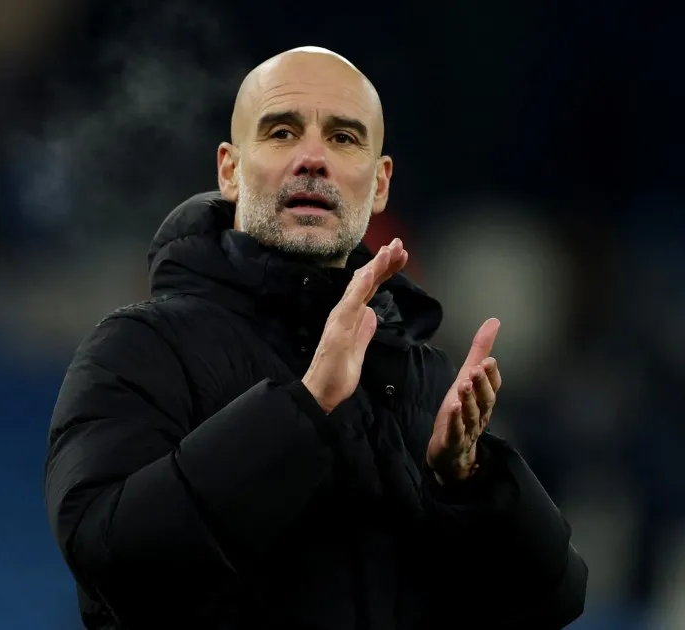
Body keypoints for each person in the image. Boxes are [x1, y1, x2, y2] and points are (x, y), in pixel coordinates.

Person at [43, 46, 587, 630]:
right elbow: (107, 556)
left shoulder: (422, 379)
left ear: (379, 184)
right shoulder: (139, 347)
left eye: (344, 138)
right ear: (230, 170)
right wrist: (303, 409)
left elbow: (554, 601)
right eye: (281, 132)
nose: (312, 159)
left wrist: (469, 480)